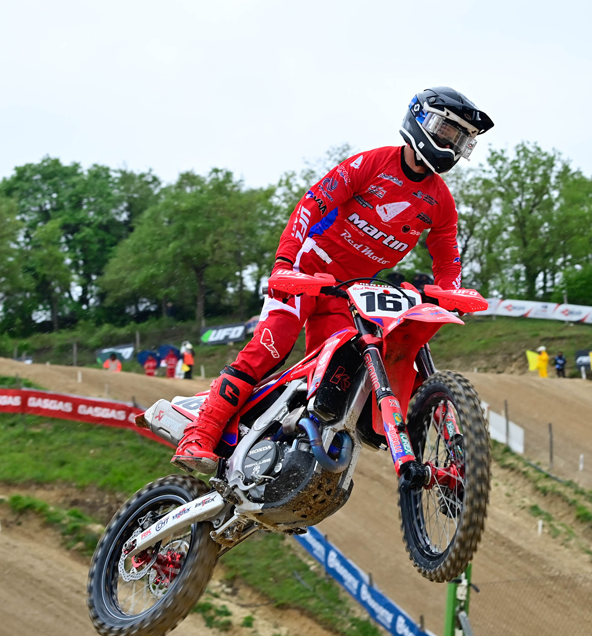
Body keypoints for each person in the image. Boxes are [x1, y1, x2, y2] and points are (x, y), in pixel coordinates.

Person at [171, 87, 494, 474]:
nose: (451, 143)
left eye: (460, 139)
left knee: (336, 381)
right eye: (446, 130)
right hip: (308, 270)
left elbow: (447, 255)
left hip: (351, 292)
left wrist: (451, 291)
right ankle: (200, 434)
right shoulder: (370, 164)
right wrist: (284, 262)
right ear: (420, 119)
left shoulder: (440, 201)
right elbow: (311, 204)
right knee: (270, 350)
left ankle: (287, 458)